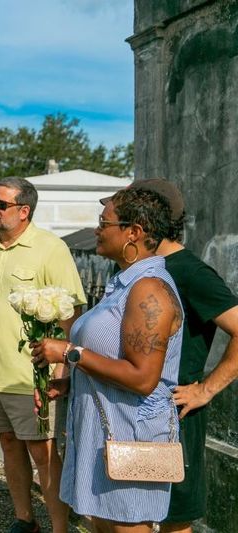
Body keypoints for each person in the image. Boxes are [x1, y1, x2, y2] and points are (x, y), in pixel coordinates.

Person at [31, 187, 183, 532]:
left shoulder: (149, 290)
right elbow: (107, 357)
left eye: (104, 223)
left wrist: (69, 353)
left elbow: (143, 377)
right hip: (103, 433)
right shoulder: (124, 284)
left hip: (132, 437)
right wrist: (68, 381)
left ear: (134, 232)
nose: (97, 230)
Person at [0, 177, 87, 533]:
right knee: (8, 444)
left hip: (33, 374)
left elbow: (70, 314)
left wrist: (63, 370)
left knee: (43, 453)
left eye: (1, 204)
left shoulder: (50, 248)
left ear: (24, 211)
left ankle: (60, 527)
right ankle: (25, 520)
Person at [109, 180, 238, 533]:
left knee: (172, 517)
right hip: (126, 407)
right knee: (123, 511)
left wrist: (205, 390)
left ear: (143, 222)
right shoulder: (132, 267)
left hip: (172, 414)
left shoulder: (189, 272)